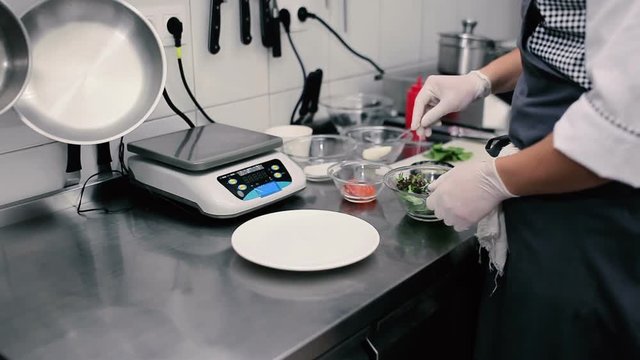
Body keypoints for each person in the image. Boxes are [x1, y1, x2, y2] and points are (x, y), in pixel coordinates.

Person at [411, 0, 640, 359]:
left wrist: (494, 178)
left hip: (594, 223)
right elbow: (564, 46)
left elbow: (619, 132)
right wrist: (479, 80)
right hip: (541, 204)